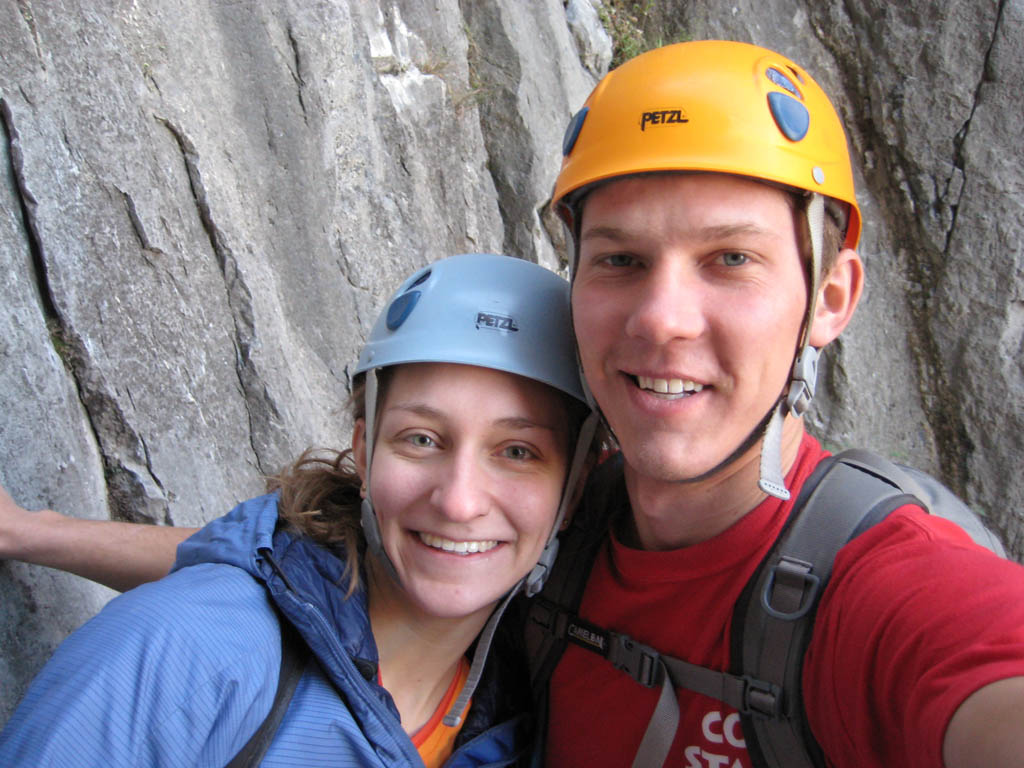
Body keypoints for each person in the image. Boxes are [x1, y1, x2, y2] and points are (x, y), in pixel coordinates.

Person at [4, 39, 1024, 768]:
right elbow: (300, 569)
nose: (664, 319)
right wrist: (38, 531)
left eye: (730, 260)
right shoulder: (566, 520)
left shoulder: (887, 596)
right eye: (620, 258)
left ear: (831, 297)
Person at [0, 252, 600, 767]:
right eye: (420, 439)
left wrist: (33, 533)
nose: (459, 500)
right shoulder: (187, 653)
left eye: (517, 452)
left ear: (571, 493)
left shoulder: (520, 723)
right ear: (364, 455)